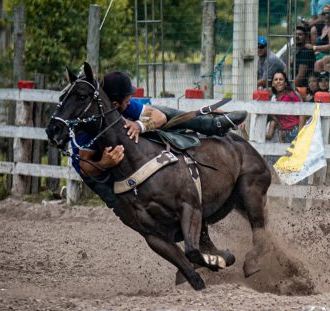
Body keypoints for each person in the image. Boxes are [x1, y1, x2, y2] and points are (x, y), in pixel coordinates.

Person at [73, 71, 244, 217]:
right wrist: (104, 163)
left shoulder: (125, 106)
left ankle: (212, 123)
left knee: (167, 115)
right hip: (96, 172)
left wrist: (139, 125)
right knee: (125, 209)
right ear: (116, 103)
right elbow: (84, 166)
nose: (131, 98)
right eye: (128, 97)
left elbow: (160, 116)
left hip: (122, 147)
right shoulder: (89, 126)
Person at [266, 71, 305, 144]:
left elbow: (302, 113)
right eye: (276, 80)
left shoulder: (291, 95)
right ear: (272, 84)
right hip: (284, 135)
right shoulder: (275, 98)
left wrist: (300, 135)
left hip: (294, 132)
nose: (278, 81)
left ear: (285, 83)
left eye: (281, 79)